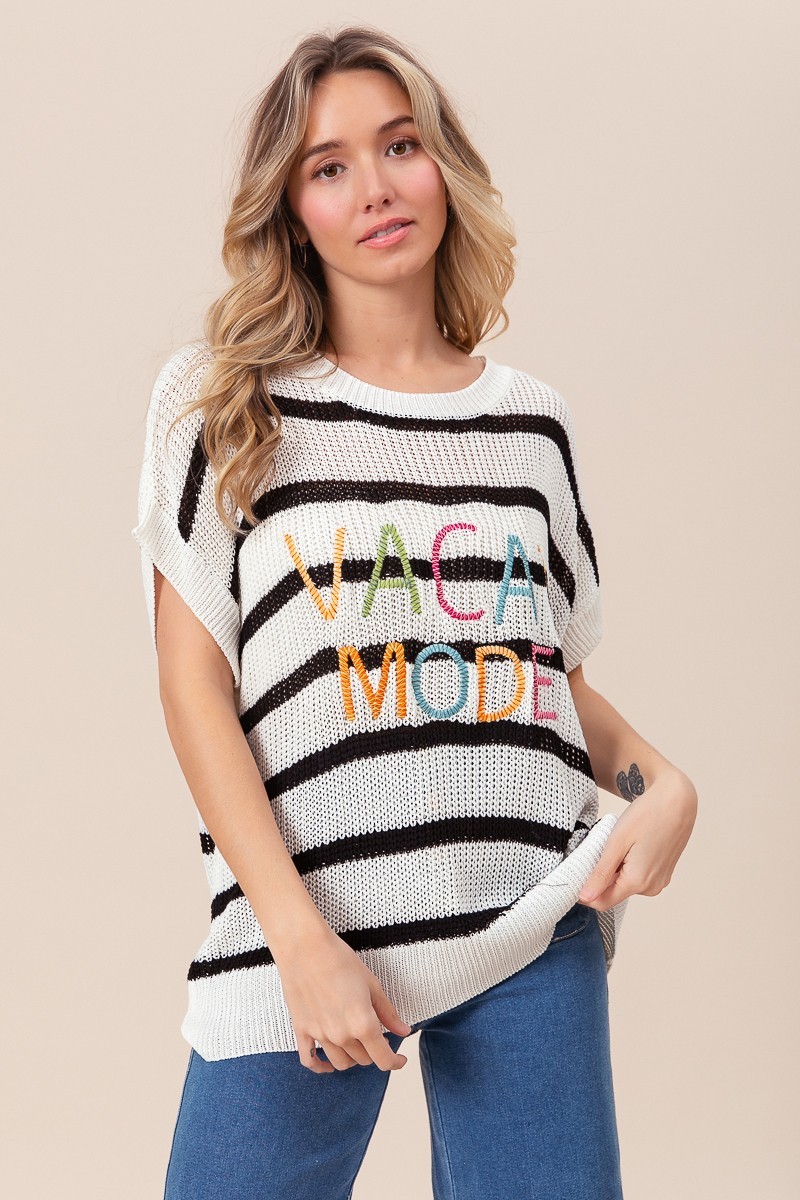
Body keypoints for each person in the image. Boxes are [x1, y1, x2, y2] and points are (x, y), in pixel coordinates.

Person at [131, 24, 697, 1200]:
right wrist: (296, 940)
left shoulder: (531, 425)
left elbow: (540, 677)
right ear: (292, 211)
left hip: (527, 915)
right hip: (309, 929)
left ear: (443, 164)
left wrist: (660, 785)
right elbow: (194, 689)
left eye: (399, 146)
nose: (376, 189)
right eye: (329, 166)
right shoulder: (224, 404)